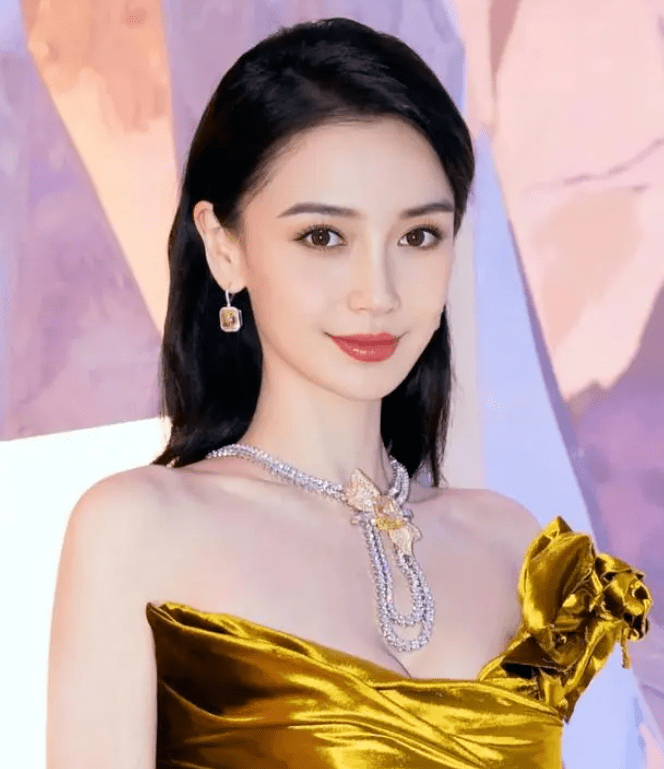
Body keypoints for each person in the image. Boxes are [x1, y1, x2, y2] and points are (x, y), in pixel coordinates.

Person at [46, 17, 652, 769]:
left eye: (417, 236)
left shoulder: (510, 544)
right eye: (324, 237)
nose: (379, 293)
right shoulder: (137, 528)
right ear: (225, 246)